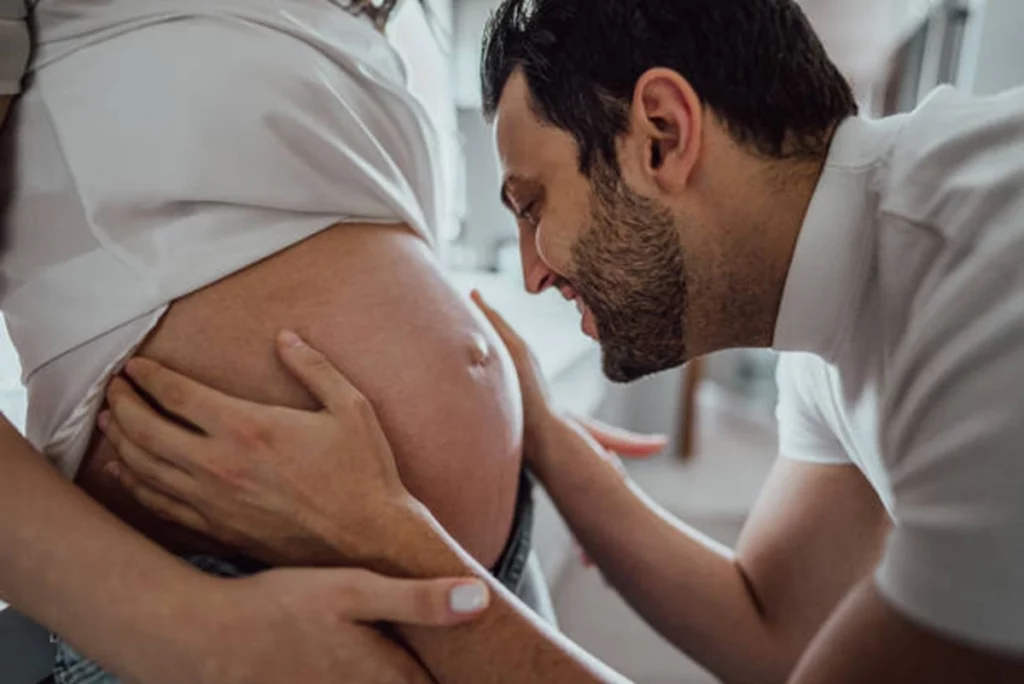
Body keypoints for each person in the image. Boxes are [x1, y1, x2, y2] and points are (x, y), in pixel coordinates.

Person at [100, 0, 1024, 681]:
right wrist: (537, 428)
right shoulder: (847, 291)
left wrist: (388, 537)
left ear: (661, 134)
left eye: (533, 204)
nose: (532, 272)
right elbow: (772, 631)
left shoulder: (989, 288)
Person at [0, 0, 660, 681]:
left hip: (470, 566)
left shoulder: (356, 21)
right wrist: (201, 630)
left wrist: (509, 416)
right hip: (234, 599)